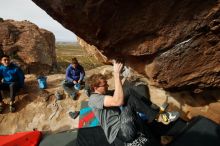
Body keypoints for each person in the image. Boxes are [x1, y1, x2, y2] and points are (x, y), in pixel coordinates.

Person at [87, 60, 180, 144]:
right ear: (95, 88)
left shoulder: (104, 93)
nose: (107, 86)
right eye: (104, 85)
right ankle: (158, 116)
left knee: (128, 92)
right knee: (129, 102)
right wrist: (116, 74)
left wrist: (125, 73)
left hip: (125, 125)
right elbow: (118, 101)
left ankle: (157, 123)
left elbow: (120, 91)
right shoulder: (94, 99)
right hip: (121, 133)